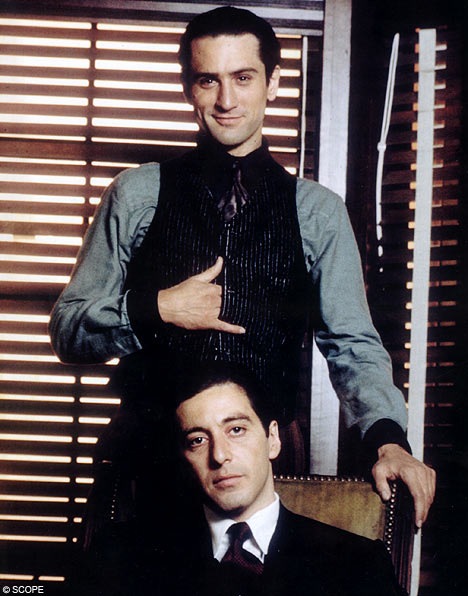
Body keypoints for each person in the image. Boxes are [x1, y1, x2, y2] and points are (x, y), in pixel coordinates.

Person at [49, 6, 434, 526]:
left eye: (244, 78)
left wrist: (389, 440)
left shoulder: (317, 212)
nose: (226, 100)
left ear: (273, 83)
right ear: (188, 88)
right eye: (208, 80)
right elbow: (68, 330)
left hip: (265, 464)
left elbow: (353, 344)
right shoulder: (135, 194)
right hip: (145, 457)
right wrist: (156, 309)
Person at [145, 363, 406, 596]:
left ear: (273, 439)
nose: (220, 455)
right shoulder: (136, 556)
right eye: (198, 440)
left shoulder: (357, 563)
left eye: (236, 430)